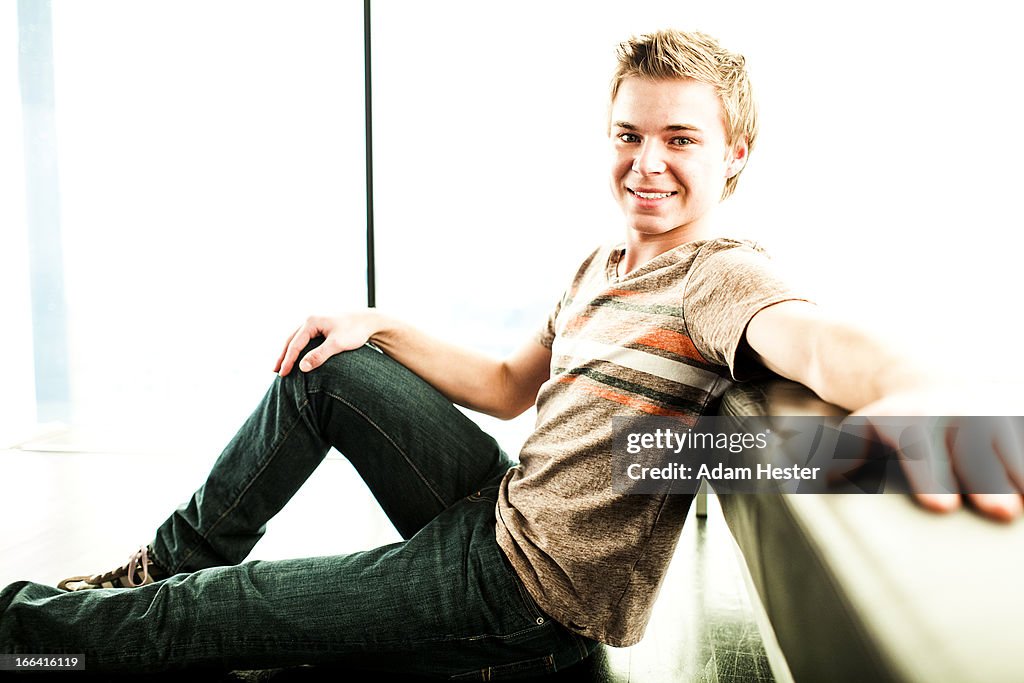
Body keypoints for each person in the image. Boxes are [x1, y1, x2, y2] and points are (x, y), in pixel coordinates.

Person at [1, 28, 1021, 677]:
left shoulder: (724, 276)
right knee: (331, 368)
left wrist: (923, 398)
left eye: (679, 138)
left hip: (526, 599)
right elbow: (506, 384)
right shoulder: (600, 263)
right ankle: (154, 562)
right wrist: (377, 321)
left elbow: (827, 342)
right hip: (497, 506)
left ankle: (24, 632)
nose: (646, 161)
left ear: (733, 155)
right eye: (627, 134)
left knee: (219, 616)